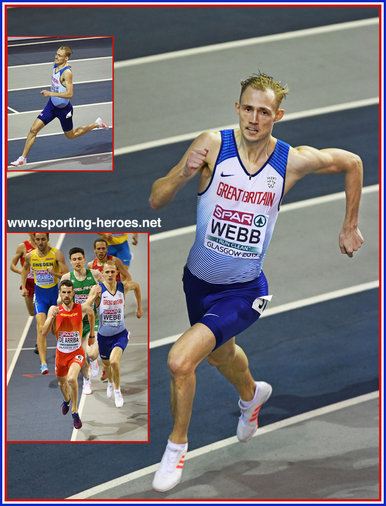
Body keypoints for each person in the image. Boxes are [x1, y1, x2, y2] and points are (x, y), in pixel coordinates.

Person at [149, 72, 364, 492]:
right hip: (196, 283)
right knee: (219, 355)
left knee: (180, 361)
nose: (253, 118)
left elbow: (352, 162)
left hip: (245, 291)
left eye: (263, 112)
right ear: (237, 108)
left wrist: (349, 225)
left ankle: (176, 449)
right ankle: (252, 397)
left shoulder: (291, 160)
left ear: (277, 116)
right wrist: (180, 175)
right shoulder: (212, 144)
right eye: (247, 108)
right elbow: (156, 198)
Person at [10, 46, 109, 167]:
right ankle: (23, 158)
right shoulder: (55, 64)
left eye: (60, 56)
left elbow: (70, 94)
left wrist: (50, 93)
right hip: (51, 106)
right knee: (33, 130)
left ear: (66, 58)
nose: (56, 57)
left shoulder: (67, 73)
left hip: (64, 110)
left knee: (71, 135)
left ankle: (96, 124)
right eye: (56, 54)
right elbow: (62, 64)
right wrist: (66, 64)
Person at [86, 261, 143, 408]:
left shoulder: (122, 287)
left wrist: (139, 308)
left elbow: (136, 286)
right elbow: (85, 306)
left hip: (120, 334)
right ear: (103, 273)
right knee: (106, 366)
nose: (110, 275)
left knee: (114, 362)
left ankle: (118, 390)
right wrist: (94, 298)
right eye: (107, 272)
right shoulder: (97, 289)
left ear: (117, 272)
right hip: (104, 336)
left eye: (113, 272)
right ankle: (111, 383)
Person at [41, 279, 95, 429]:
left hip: (76, 353)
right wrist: (51, 316)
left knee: (72, 379)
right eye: (63, 292)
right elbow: (44, 333)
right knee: (62, 383)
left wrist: (91, 335)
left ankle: (75, 412)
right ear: (60, 293)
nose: (66, 295)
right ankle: (66, 400)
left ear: (73, 293)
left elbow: (91, 313)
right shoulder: (54, 309)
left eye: (69, 292)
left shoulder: (81, 308)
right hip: (61, 355)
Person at [21, 233, 68, 374]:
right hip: (40, 297)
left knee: (57, 329)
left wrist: (54, 273)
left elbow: (66, 275)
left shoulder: (56, 254)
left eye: (43, 239)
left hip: (55, 296)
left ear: (48, 240)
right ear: (34, 240)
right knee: (41, 329)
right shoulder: (30, 256)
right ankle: (43, 364)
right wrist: (23, 287)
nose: (40, 242)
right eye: (38, 239)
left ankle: (63, 358)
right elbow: (24, 270)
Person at [60, 247, 104, 395]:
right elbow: (60, 299)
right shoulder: (67, 277)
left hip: (92, 320)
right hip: (74, 324)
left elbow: (107, 290)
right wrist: (65, 299)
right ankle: (86, 380)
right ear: (70, 261)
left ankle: (93, 361)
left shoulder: (95, 274)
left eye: (80, 258)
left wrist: (100, 293)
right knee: (81, 355)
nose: (77, 262)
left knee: (92, 354)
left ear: (84, 259)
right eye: (74, 259)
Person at [9, 233, 37, 318]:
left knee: (45, 310)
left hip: (42, 281)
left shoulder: (44, 245)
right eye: (33, 233)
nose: (35, 235)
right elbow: (12, 265)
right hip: (28, 283)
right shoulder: (22, 246)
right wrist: (21, 271)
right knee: (32, 312)